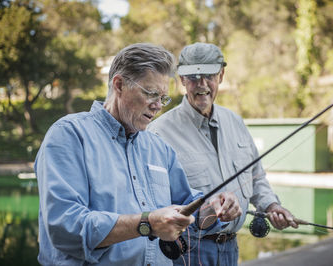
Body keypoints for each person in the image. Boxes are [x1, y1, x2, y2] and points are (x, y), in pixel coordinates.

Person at [35, 43, 242, 265]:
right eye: (151, 94)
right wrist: (147, 223)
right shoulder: (69, 135)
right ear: (119, 85)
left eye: (163, 98)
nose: (157, 106)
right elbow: (65, 227)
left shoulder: (159, 148)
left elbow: (186, 207)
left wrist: (214, 207)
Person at [148, 42, 298, 265]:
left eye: (209, 75)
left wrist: (271, 206)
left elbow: (257, 177)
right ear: (181, 80)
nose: (201, 85)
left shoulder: (235, 122)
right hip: (188, 251)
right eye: (192, 77)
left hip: (231, 249)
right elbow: (153, 206)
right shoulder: (158, 133)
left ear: (221, 75)